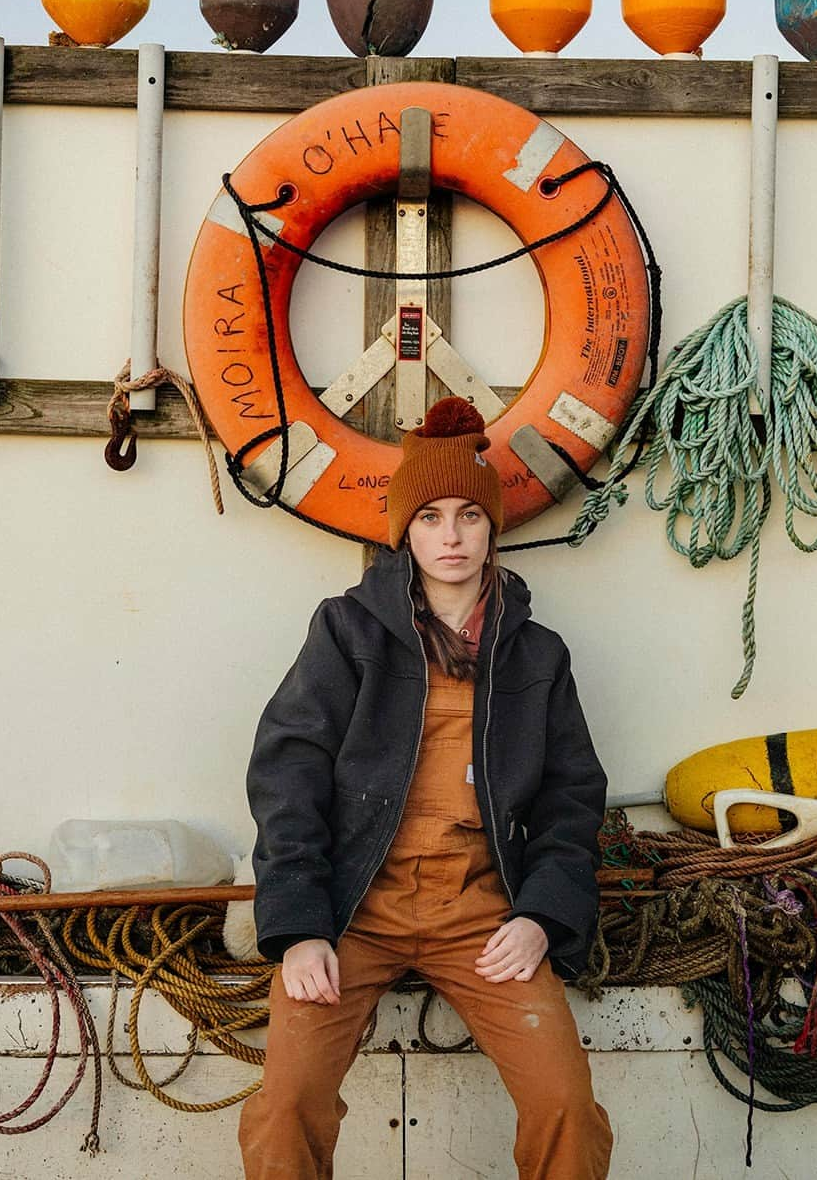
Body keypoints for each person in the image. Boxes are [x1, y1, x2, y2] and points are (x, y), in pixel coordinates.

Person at [239, 396, 613, 1180]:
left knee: (567, 1107)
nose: (452, 536)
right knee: (286, 1105)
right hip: (354, 907)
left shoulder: (537, 656)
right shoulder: (346, 631)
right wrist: (301, 924)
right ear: (405, 530)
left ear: (492, 528)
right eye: (432, 516)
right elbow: (289, 771)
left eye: (469, 517)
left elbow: (571, 800)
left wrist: (544, 915)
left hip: (477, 910)